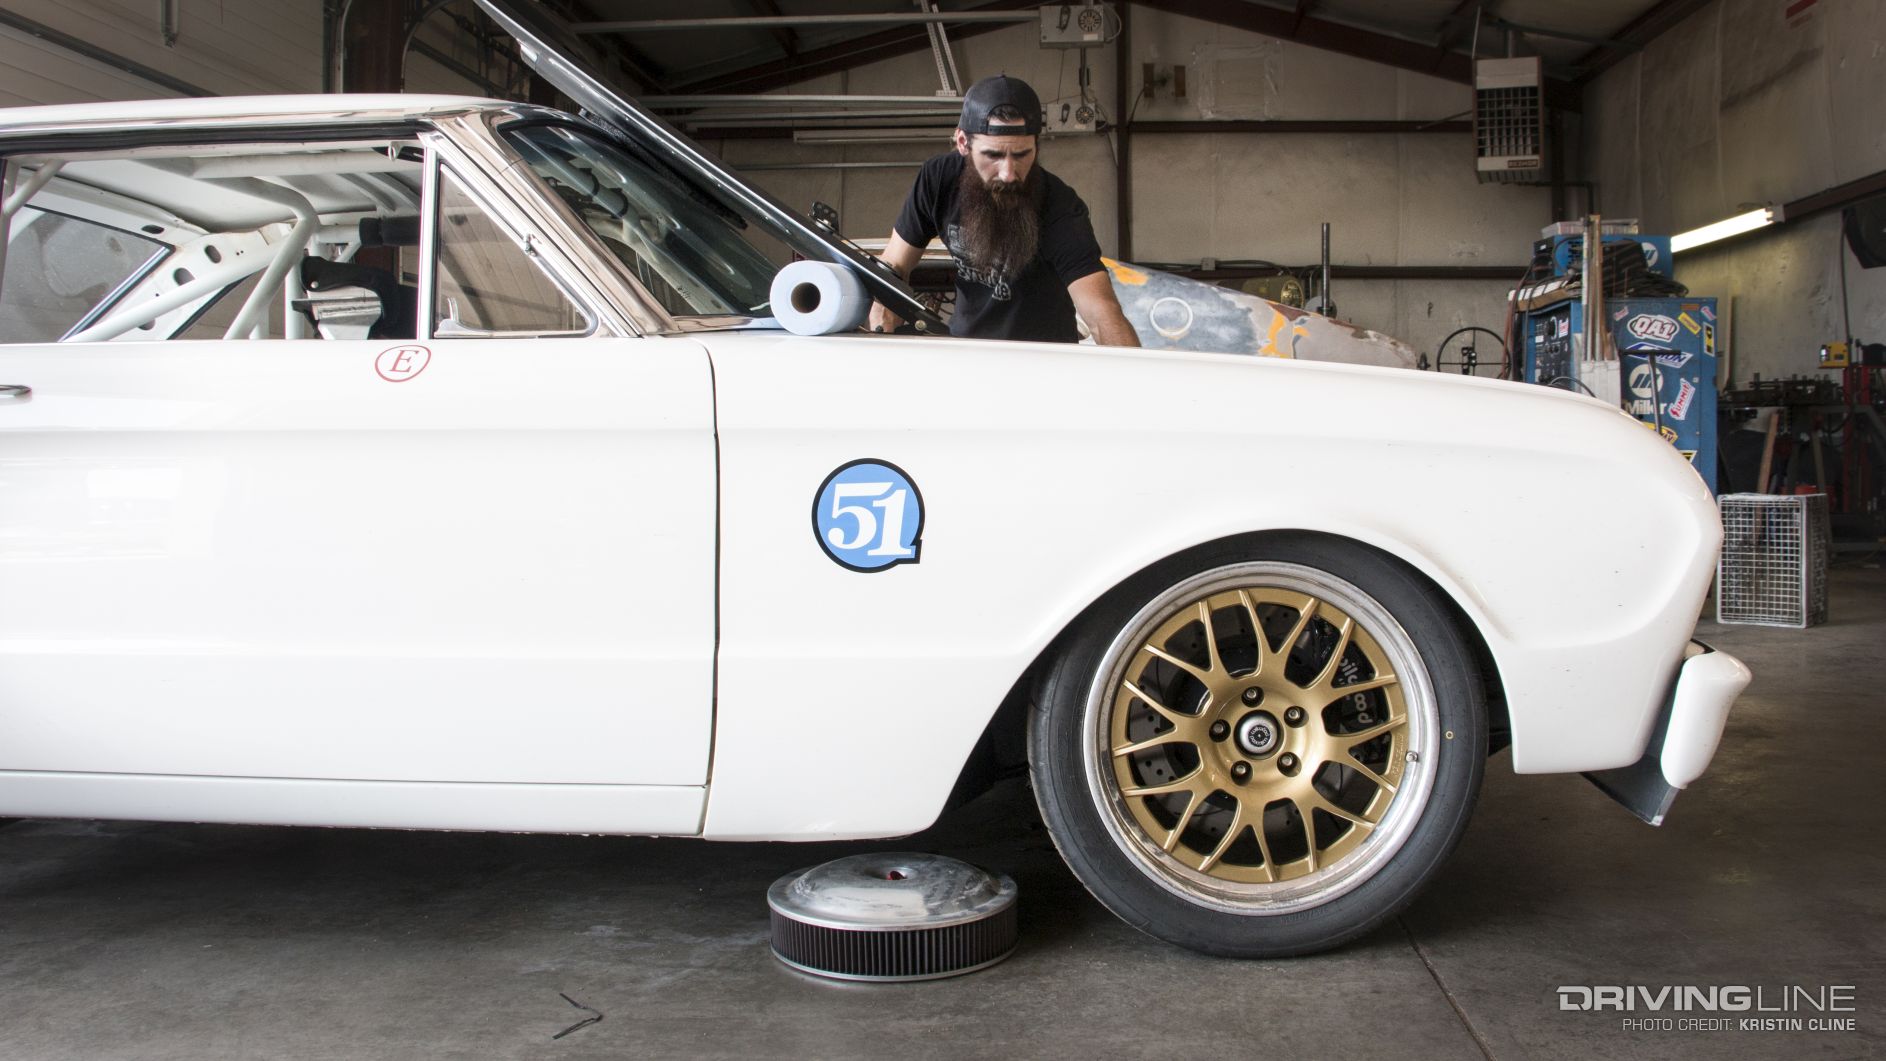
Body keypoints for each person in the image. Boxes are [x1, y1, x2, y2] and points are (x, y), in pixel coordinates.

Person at [868, 75, 1139, 346]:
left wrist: (1133, 378)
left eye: (1022, 155)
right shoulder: (938, 180)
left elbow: (1101, 312)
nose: (1009, 174)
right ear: (963, 143)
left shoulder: (1060, 207)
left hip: (1044, 359)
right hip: (967, 352)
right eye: (993, 156)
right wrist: (882, 316)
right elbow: (895, 264)